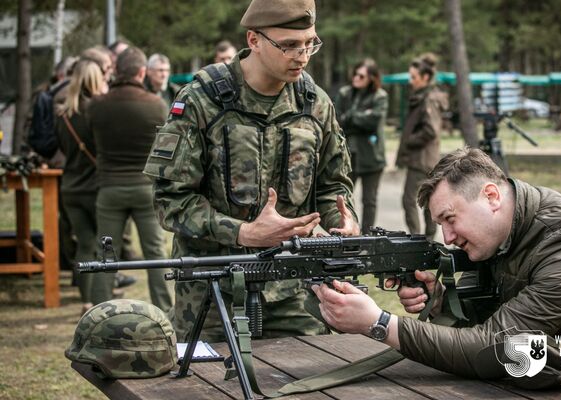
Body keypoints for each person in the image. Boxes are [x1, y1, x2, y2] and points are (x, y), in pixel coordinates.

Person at [312, 147, 561, 396]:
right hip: (556, 371)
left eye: (450, 219)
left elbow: (491, 347)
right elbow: (501, 322)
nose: (448, 238)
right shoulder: (505, 229)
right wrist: (442, 302)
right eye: (441, 224)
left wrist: (379, 323)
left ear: (491, 196)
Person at [143, 0, 359, 343]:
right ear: (254, 40)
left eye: (310, 43)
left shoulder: (315, 103)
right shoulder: (203, 100)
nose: (302, 55)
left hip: (295, 291)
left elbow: (333, 186)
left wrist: (343, 223)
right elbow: (171, 200)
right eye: (288, 45)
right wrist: (244, 233)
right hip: (213, 291)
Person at [89, 47, 173, 313]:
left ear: (115, 71)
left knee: (105, 255)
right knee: (155, 254)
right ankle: (164, 309)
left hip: (109, 187)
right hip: (145, 187)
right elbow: (167, 147)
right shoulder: (156, 104)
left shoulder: (97, 105)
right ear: (141, 72)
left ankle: (99, 312)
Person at [55, 57, 108, 315]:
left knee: (84, 244)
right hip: (94, 186)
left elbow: (62, 148)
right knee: (101, 244)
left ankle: (85, 300)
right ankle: (99, 300)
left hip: (69, 186)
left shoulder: (63, 114)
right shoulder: (96, 112)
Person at [396, 53, 448, 240]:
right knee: (425, 201)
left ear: (425, 77)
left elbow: (430, 130)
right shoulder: (423, 96)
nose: (411, 81)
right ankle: (426, 239)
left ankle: (419, 240)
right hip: (422, 158)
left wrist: (410, 140)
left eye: (414, 77)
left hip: (422, 159)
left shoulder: (429, 99)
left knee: (410, 200)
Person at [334, 58, 388, 234]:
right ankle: (348, 232)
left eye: (361, 76)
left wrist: (351, 117)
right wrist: (358, 117)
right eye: (355, 74)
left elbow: (373, 121)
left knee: (369, 200)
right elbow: (337, 121)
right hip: (349, 155)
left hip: (372, 156)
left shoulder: (380, 96)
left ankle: (367, 236)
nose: (356, 78)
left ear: (371, 78)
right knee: (345, 197)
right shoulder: (344, 93)